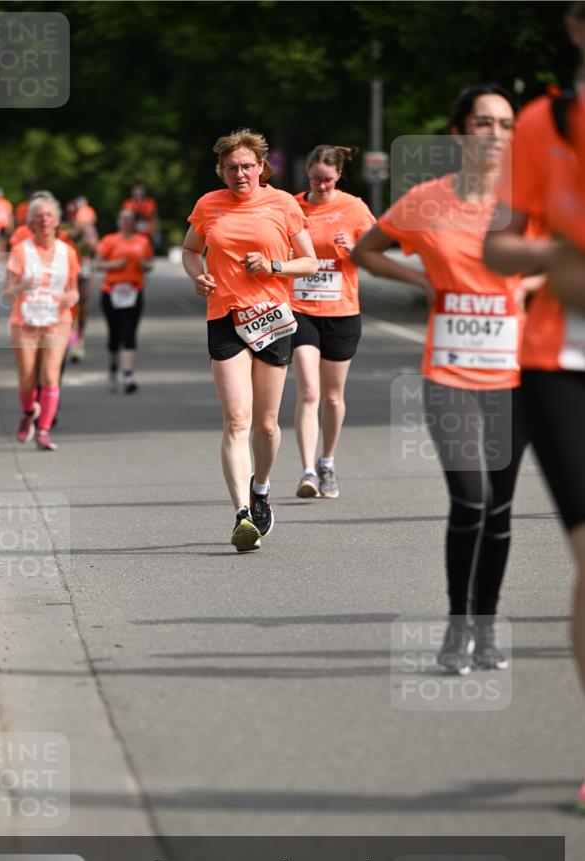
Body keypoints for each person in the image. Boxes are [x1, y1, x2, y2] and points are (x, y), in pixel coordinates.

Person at [352, 84, 527, 674]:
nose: (496, 134)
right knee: (471, 498)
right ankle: (457, 627)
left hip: (515, 377)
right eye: (484, 122)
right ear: (459, 132)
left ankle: (486, 626)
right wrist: (422, 282)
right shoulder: (427, 200)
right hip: (449, 374)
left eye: (506, 124)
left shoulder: (530, 202)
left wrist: (529, 287)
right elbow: (366, 251)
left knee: (500, 509)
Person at [483, 1, 585, 810]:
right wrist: (560, 253)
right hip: (560, 362)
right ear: (575, 26)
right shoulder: (541, 123)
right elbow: (499, 243)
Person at [182, 128, 317, 552]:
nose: (239, 174)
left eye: (246, 166)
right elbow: (190, 250)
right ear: (220, 171)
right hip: (225, 317)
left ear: (261, 167)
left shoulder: (283, 204)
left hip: (271, 319)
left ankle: (261, 488)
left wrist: (274, 266)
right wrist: (198, 276)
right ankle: (242, 514)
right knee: (237, 419)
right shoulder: (208, 205)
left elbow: (310, 262)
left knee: (266, 424)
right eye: (230, 168)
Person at [290, 145, 375, 498]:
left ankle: (327, 461)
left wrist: (353, 248)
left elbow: (374, 256)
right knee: (309, 390)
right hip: (300, 308)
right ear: (307, 175)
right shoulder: (292, 206)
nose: (321, 186)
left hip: (341, 311)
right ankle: (307, 472)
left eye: (327, 180)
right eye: (315, 179)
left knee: (333, 397)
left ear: (339, 175)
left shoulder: (355, 208)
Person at [3, 191, 80, 451]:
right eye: (39, 216)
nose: (44, 220)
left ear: (57, 220)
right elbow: (7, 294)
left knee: (50, 375)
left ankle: (44, 430)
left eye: (49, 215)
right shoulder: (20, 251)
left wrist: (72, 296)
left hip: (57, 321)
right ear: (31, 222)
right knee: (27, 380)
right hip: (24, 322)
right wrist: (22, 286)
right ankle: (29, 412)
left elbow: (74, 290)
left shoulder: (68, 252)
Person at [95, 208, 154, 393]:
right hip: (111, 292)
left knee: (129, 333)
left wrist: (145, 266)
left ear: (135, 222)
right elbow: (98, 264)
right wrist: (114, 265)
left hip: (133, 292)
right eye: (123, 218)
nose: (126, 222)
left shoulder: (142, 241)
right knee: (114, 334)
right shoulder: (109, 240)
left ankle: (128, 375)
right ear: (118, 222)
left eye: (130, 219)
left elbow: (150, 263)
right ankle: (113, 370)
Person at [64, 199, 99, 360]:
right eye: (69, 213)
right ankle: (73, 343)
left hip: (84, 270)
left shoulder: (87, 228)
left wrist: (84, 237)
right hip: (67, 273)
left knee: (83, 307)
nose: (72, 216)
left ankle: (80, 338)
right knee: (70, 307)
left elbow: (94, 246)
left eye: (74, 212)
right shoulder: (62, 229)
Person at [121, 183, 160, 248]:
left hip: (147, 230)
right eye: (136, 194)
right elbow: (126, 218)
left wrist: (156, 232)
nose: (139, 195)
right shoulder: (128, 203)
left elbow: (154, 217)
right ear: (133, 194)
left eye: (140, 193)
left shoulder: (150, 203)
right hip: (133, 230)